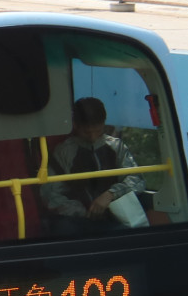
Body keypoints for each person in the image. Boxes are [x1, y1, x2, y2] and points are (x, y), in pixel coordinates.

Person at [41, 97, 145, 228]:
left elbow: (137, 179)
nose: (93, 137)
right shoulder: (63, 152)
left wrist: (111, 194)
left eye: (98, 131)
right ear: (75, 125)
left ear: (104, 124)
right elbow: (51, 193)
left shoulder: (116, 147)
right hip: (77, 219)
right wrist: (83, 212)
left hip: (115, 215)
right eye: (87, 132)